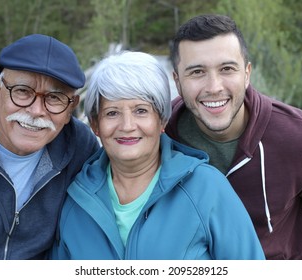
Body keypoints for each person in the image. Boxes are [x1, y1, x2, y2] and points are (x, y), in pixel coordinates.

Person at [50, 51, 265, 260]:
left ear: (161, 120)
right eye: (112, 113)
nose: (127, 126)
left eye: (141, 111)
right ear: (96, 125)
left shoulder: (206, 189)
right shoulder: (77, 199)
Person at [165, 14, 302, 259]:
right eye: (197, 72)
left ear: (247, 73)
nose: (214, 86)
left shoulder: (300, 136)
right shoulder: (160, 136)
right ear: (177, 81)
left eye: (227, 69)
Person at [0, 34, 100, 259]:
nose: (36, 111)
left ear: (72, 107)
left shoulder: (80, 147)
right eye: (23, 91)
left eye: (54, 97)